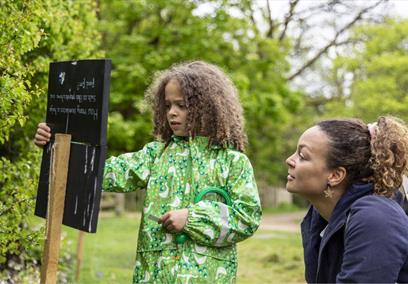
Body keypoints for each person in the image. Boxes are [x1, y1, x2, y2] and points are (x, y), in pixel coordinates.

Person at [34, 61, 262, 283]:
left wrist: (192, 218)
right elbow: (104, 173)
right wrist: (56, 145)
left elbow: (247, 217)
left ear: (208, 107)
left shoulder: (233, 162)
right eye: (168, 105)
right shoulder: (156, 154)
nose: (172, 113)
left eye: (181, 106)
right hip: (152, 275)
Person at [286, 116, 408, 283]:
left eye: (302, 155)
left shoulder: (376, 218)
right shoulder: (319, 216)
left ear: (335, 175)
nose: (289, 160)